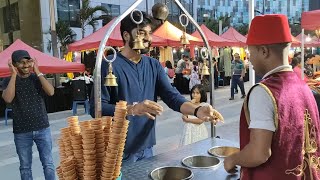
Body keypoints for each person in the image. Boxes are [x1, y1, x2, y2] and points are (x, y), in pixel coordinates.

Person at [90, 11, 222, 164]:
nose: (147, 38)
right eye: (141, 33)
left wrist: (197, 110)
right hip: (117, 151)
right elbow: (95, 108)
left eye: (149, 33)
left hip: (147, 147)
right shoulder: (109, 65)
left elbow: (172, 97)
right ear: (126, 36)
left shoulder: (153, 65)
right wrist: (132, 109)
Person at [223, 14, 320, 179]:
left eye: (250, 52)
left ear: (264, 51)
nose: (249, 59)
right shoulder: (302, 85)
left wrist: (233, 159)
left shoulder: (263, 92)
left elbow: (259, 153)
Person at [1, 50, 56, 180]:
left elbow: (51, 92)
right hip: (22, 131)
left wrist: (37, 71)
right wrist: (13, 75)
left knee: (48, 164)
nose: (26, 65)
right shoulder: (8, 80)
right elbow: (8, 99)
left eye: (28, 61)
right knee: (25, 167)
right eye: (22, 62)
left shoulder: (37, 78)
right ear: (14, 64)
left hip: (42, 128)